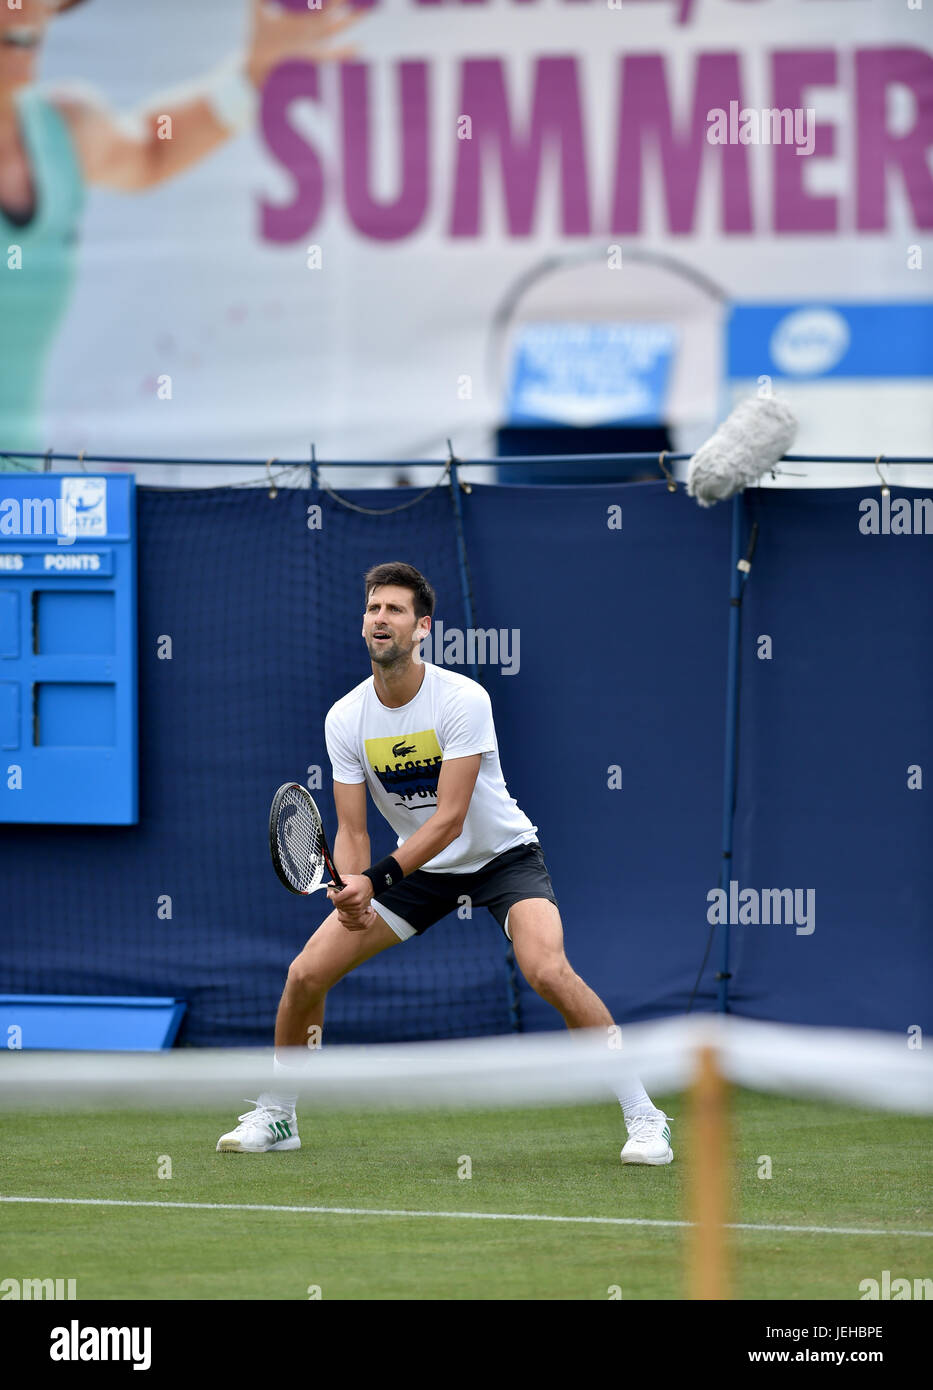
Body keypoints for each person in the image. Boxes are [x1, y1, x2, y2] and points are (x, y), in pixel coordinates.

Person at [218, 561, 674, 1166]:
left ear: (422, 627)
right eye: (373, 608)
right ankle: (280, 1114)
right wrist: (352, 888)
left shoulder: (463, 698)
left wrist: (376, 878)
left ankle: (645, 1116)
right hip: (419, 872)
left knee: (548, 971)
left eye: (395, 610)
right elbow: (352, 828)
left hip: (499, 857)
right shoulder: (345, 718)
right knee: (305, 975)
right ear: (363, 626)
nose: (381, 618)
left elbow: (450, 819)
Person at [0, 0, 358, 466]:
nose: (24, 9)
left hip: (23, 503)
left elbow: (152, 149)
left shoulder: (64, 130)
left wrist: (249, 76)